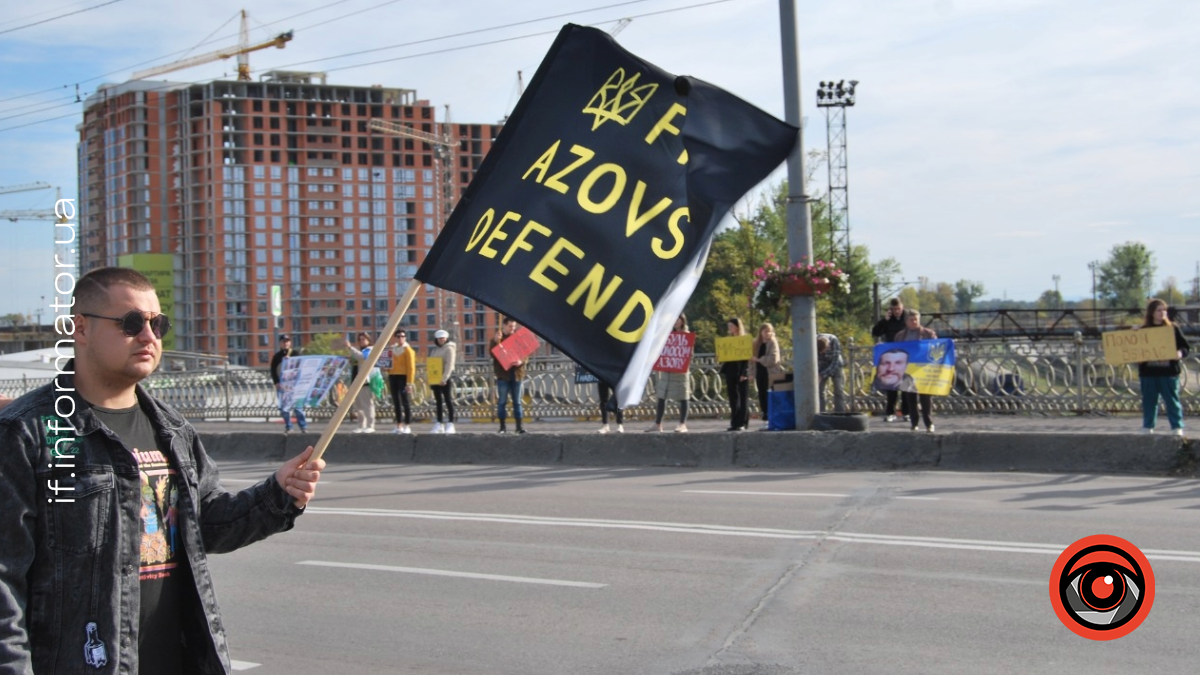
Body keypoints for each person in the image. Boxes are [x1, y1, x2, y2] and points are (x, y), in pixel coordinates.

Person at [0, 267, 324, 674]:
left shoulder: (172, 429)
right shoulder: (27, 431)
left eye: (158, 324)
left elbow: (206, 525)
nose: (149, 336)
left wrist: (278, 494)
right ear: (80, 329)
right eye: (131, 323)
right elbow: (4, 578)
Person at [1137, 298, 1189, 435]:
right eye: (1159, 310)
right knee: (1149, 401)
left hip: (1168, 372)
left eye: (1164, 310)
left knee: (1172, 401)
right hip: (1149, 373)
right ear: (1152, 313)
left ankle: (1177, 427)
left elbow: (1185, 347)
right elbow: (1135, 351)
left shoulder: (1173, 329)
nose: (1162, 313)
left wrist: (1179, 353)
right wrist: (1133, 334)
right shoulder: (1143, 331)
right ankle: (1148, 426)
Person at [893, 309, 938, 432]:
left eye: (916, 320)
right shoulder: (900, 336)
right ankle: (914, 423)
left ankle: (929, 423)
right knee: (910, 397)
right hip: (907, 370)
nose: (913, 322)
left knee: (926, 397)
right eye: (911, 320)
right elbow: (895, 351)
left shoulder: (929, 334)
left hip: (923, 369)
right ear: (906, 321)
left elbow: (936, 349)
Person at [647, 314, 693, 433]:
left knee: (683, 396)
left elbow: (689, 354)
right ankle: (658, 424)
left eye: (678, 320)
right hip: (667, 370)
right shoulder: (667, 335)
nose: (676, 322)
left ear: (682, 321)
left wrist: (683, 363)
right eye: (674, 320)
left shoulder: (687, 335)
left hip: (680, 371)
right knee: (662, 396)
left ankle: (682, 424)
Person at [871, 298, 907, 421]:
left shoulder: (907, 317)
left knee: (906, 385)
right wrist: (884, 321)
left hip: (906, 355)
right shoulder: (888, 320)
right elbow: (876, 332)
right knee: (892, 387)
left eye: (899, 309)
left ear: (902, 307)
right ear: (891, 309)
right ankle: (891, 412)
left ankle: (906, 412)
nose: (897, 312)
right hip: (892, 355)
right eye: (894, 309)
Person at [490, 316, 527, 434]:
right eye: (510, 326)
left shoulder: (518, 339)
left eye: (514, 327)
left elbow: (526, 354)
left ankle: (519, 427)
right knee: (502, 401)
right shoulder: (497, 339)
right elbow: (493, 355)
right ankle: (502, 427)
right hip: (503, 375)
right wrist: (496, 343)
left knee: (517, 401)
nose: (512, 329)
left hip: (517, 374)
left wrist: (521, 361)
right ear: (504, 326)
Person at [270, 334, 308, 434]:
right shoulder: (277, 356)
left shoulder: (295, 353)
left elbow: (301, 366)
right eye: (284, 341)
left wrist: (291, 361)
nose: (286, 343)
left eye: (287, 341)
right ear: (280, 343)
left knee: (298, 407)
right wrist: (277, 382)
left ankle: (303, 426)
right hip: (282, 386)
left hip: (295, 386)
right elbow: (273, 371)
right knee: (284, 408)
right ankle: (288, 426)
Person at [751, 322, 785, 429]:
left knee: (770, 395)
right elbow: (751, 360)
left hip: (770, 373)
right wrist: (751, 373)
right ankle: (765, 417)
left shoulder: (772, 343)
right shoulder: (756, 344)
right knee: (762, 395)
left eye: (769, 331)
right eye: (765, 331)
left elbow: (773, 359)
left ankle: (772, 418)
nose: (768, 334)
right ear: (761, 332)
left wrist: (759, 359)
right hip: (760, 373)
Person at [345, 331, 378, 433]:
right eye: (359, 340)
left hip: (365, 382)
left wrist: (350, 348)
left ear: (368, 340)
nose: (361, 341)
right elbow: (356, 361)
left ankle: (370, 425)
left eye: (363, 339)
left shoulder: (370, 350)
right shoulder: (359, 350)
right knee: (358, 406)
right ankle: (361, 425)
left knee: (367, 404)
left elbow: (362, 357)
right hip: (356, 381)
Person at [721, 317, 751, 431]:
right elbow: (726, 356)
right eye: (729, 326)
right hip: (730, 371)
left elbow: (746, 359)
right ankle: (734, 422)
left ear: (737, 327)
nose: (730, 328)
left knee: (743, 397)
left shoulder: (744, 340)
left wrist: (744, 372)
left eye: (731, 326)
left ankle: (743, 422)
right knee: (733, 397)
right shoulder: (729, 340)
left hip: (741, 371)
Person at [384, 330, 416, 434]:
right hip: (393, 376)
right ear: (395, 338)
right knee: (396, 402)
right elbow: (389, 364)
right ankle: (399, 424)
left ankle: (407, 424)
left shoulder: (408, 350)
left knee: (405, 401)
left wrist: (409, 383)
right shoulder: (392, 349)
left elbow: (411, 367)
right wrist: (386, 368)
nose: (401, 338)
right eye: (398, 336)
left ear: (405, 338)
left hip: (403, 377)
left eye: (403, 336)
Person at [429, 328, 458, 434]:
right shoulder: (435, 350)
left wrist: (444, 378)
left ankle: (450, 423)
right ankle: (439, 422)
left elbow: (449, 364)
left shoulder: (449, 349)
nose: (441, 340)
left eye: (443, 338)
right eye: (440, 338)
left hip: (445, 378)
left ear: (446, 338)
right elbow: (432, 364)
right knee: (438, 402)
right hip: (436, 378)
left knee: (448, 400)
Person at [817, 333, 846, 412]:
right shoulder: (814, 340)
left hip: (836, 366)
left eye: (823, 351)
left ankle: (840, 413)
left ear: (828, 346)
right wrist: (818, 374)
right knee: (819, 391)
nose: (822, 353)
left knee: (839, 390)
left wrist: (822, 375)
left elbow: (835, 362)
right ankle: (821, 413)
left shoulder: (834, 340)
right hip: (822, 367)